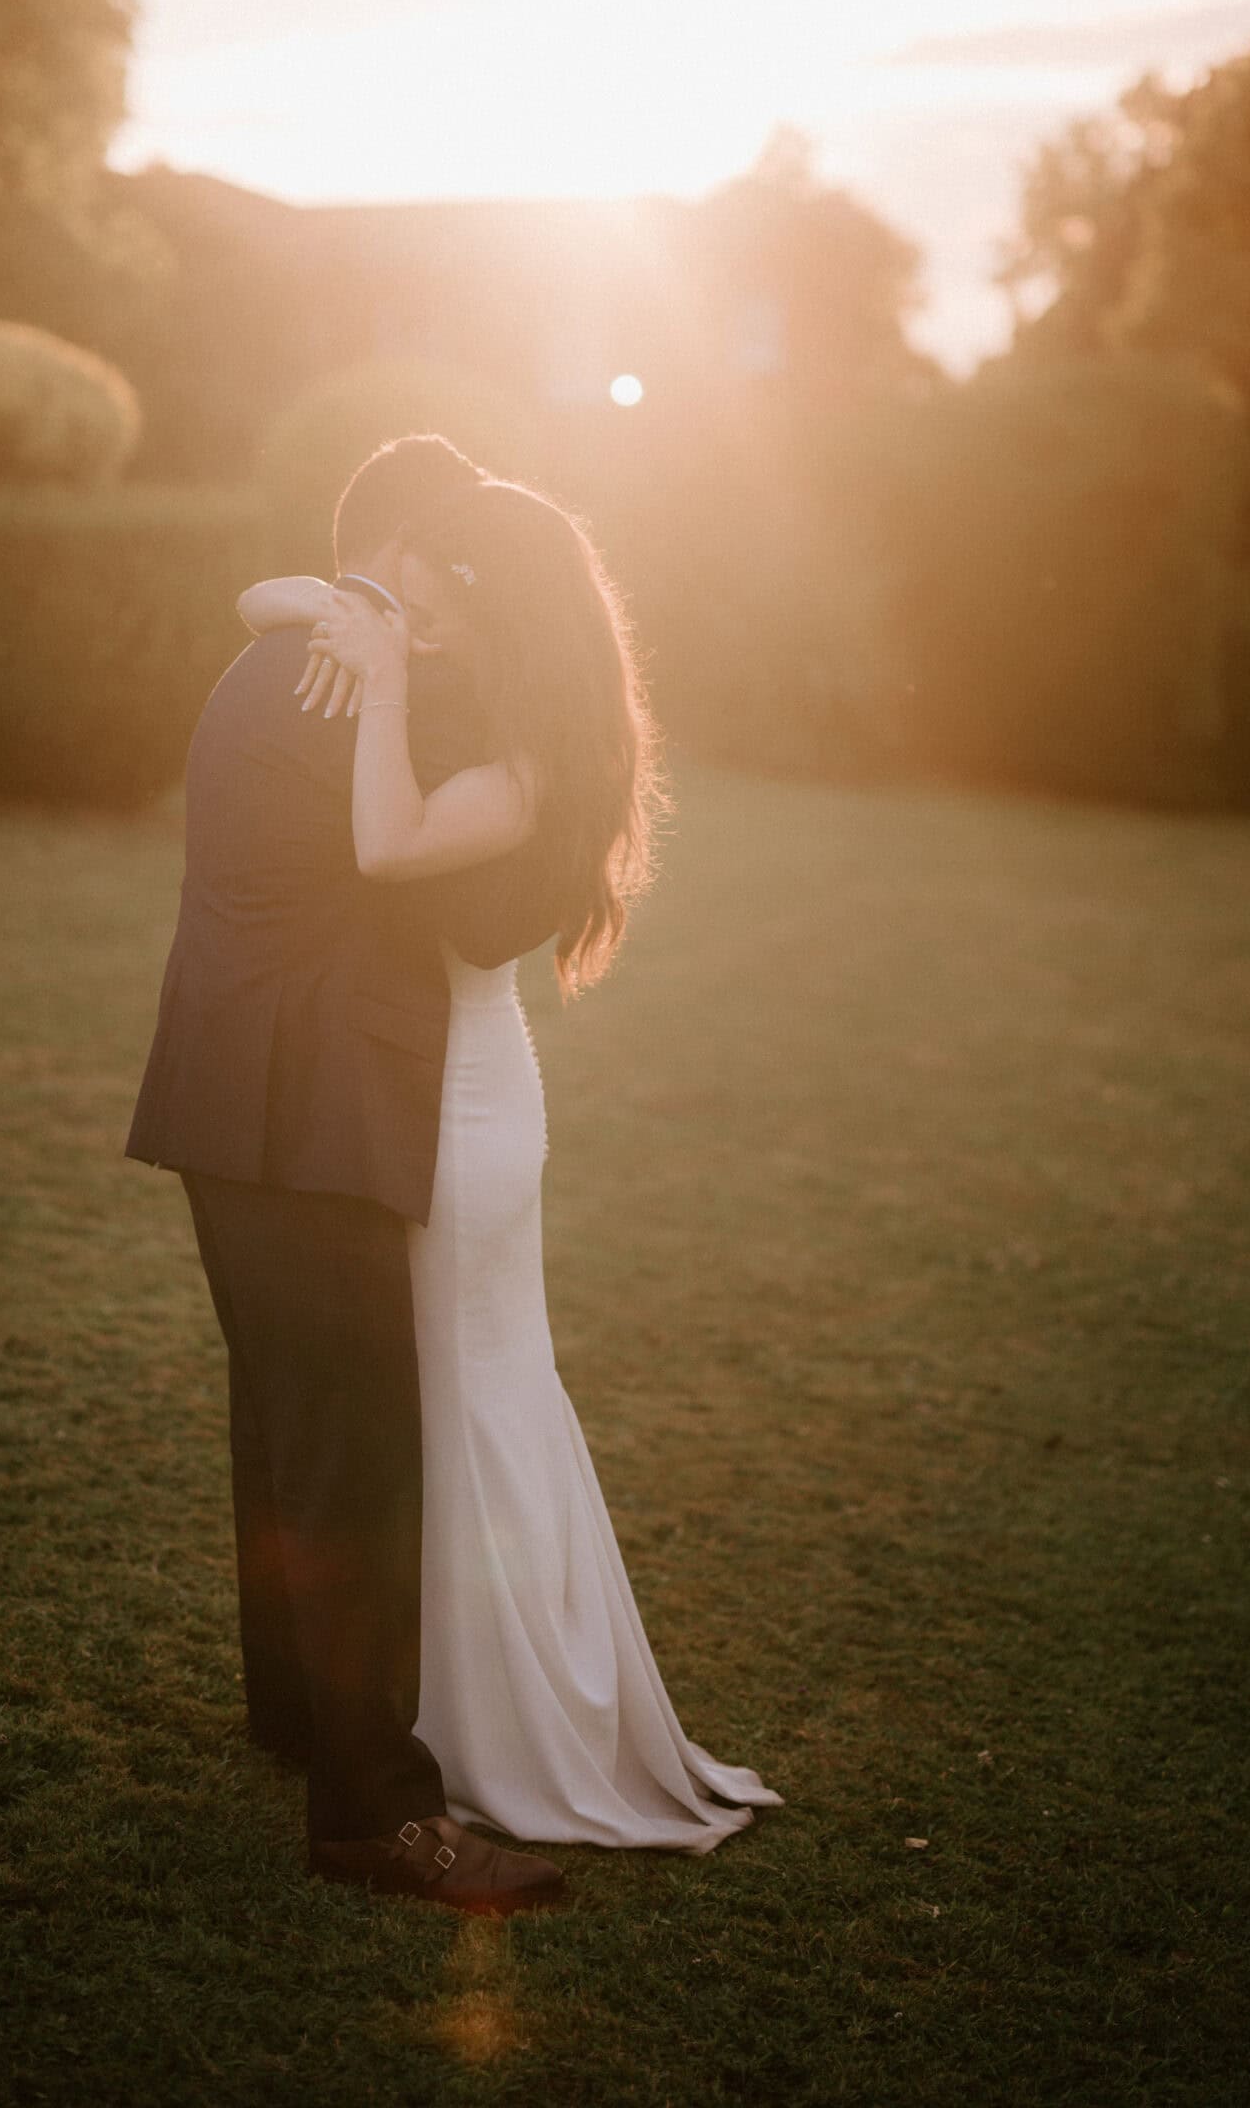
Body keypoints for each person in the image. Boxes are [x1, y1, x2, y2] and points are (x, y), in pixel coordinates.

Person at [241, 476, 779, 1851]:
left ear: (513, 616)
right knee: (437, 1399)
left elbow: (384, 844)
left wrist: (374, 685)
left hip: (459, 1114)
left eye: (450, 595)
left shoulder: (530, 767)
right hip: (439, 1092)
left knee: (469, 1399)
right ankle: (423, 1699)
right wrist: (349, 613)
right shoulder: (503, 715)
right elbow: (266, 600)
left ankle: (511, 1720)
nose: (425, 612)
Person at [125, 435, 567, 1915]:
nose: (451, 613)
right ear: (406, 560)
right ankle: (377, 1816)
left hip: (229, 1091)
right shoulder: (358, 675)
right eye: (445, 577)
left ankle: (295, 1717)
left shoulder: (287, 651)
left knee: (285, 1420)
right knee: (356, 1441)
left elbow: (271, 603)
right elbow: (503, 783)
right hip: (305, 1106)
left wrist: (303, 598)